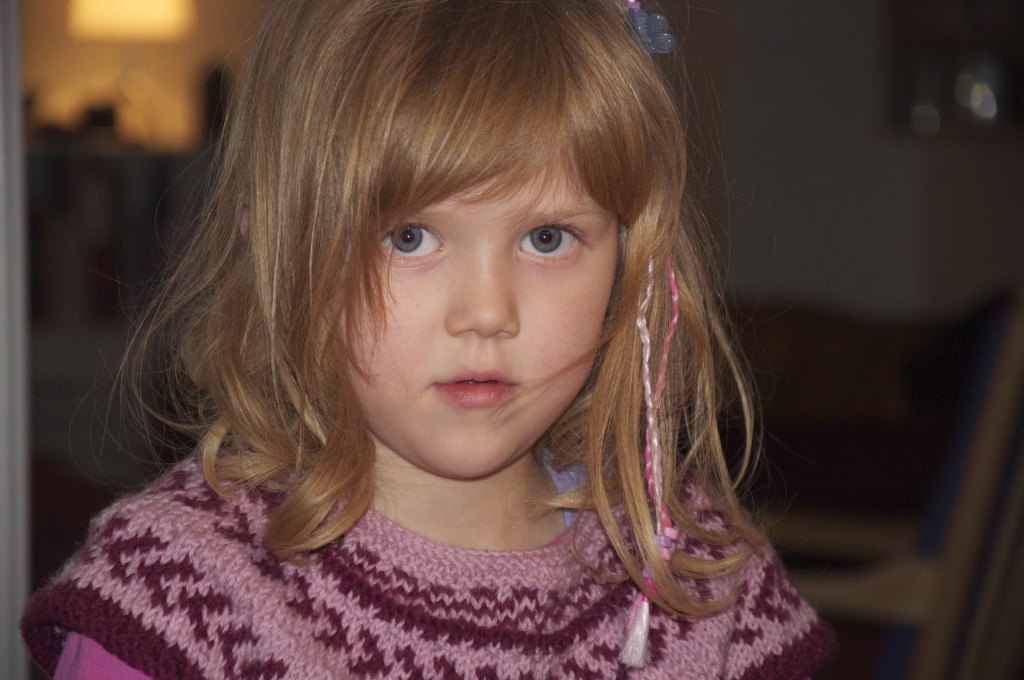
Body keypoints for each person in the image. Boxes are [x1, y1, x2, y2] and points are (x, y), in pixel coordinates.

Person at [22, 0, 836, 677]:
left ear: (628, 262)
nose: (486, 312)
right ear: (278, 248)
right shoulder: (177, 594)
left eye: (547, 238)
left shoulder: (696, 576)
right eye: (409, 238)